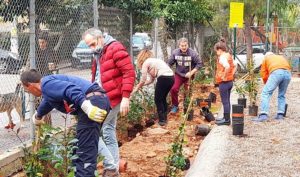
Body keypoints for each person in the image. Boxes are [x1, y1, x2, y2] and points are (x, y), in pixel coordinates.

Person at [20, 69, 111, 177]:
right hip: (98, 99)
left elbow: (71, 89)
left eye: (27, 91)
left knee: (84, 154)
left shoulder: (46, 85)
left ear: (30, 85)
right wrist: (38, 116)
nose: (30, 93)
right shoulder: (48, 87)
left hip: (92, 103)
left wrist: (87, 107)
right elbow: (47, 103)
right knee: (77, 149)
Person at [82, 28, 135, 176]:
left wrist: (125, 97)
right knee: (108, 130)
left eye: (92, 44)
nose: (91, 48)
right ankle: (114, 169)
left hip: (112, 99)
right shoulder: (99, 52)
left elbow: (129, 72)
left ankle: (110, 166)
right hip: (103, 98)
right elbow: (98, 77)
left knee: (91, 131)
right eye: (89, 46)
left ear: (100, 38)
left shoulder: (115, 48)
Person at [132, 50, 174, 126]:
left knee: (157, 99)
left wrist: (137, 87)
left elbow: (143, 79)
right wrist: (142, 85)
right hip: (171, 78)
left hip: (163, 78)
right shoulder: (154, 62)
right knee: (163, 98)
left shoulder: (146, 63)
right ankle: (164, 119)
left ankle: (162, 121)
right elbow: (151, 80)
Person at [252, 52, 291, 122]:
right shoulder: (280, 57)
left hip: (276, 72)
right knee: (281, 95)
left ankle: (263, 115)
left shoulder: (266, 58)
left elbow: (264, 74)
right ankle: (280, 115)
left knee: (265, 93)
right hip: (288, 73)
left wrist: (266, 84)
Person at [168, 37, 203, 113]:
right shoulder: (175, 53)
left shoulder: (193, 53)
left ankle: (186, 106)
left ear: (188, 45)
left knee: (187, 92)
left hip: (189, 75)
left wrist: (191, 72)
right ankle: (175, 106)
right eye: (182, 45)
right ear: (179, 46)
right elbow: (169, 63)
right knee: (173, 89)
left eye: (185, 45)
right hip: (179, 75)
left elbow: (199, 64)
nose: (184, 47)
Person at [213, 39, 236, 125]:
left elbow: (227, 67)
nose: (216, 53)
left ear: (219, 49)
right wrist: (231, 75)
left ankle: (226, 120)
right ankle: (225, 118)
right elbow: (235, 65)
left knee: (225, 101)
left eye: (216, 51)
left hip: (224, 83)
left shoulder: (222, 57)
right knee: (227, 101)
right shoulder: (228, 55)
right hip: (230, 82)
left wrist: (224, 76)